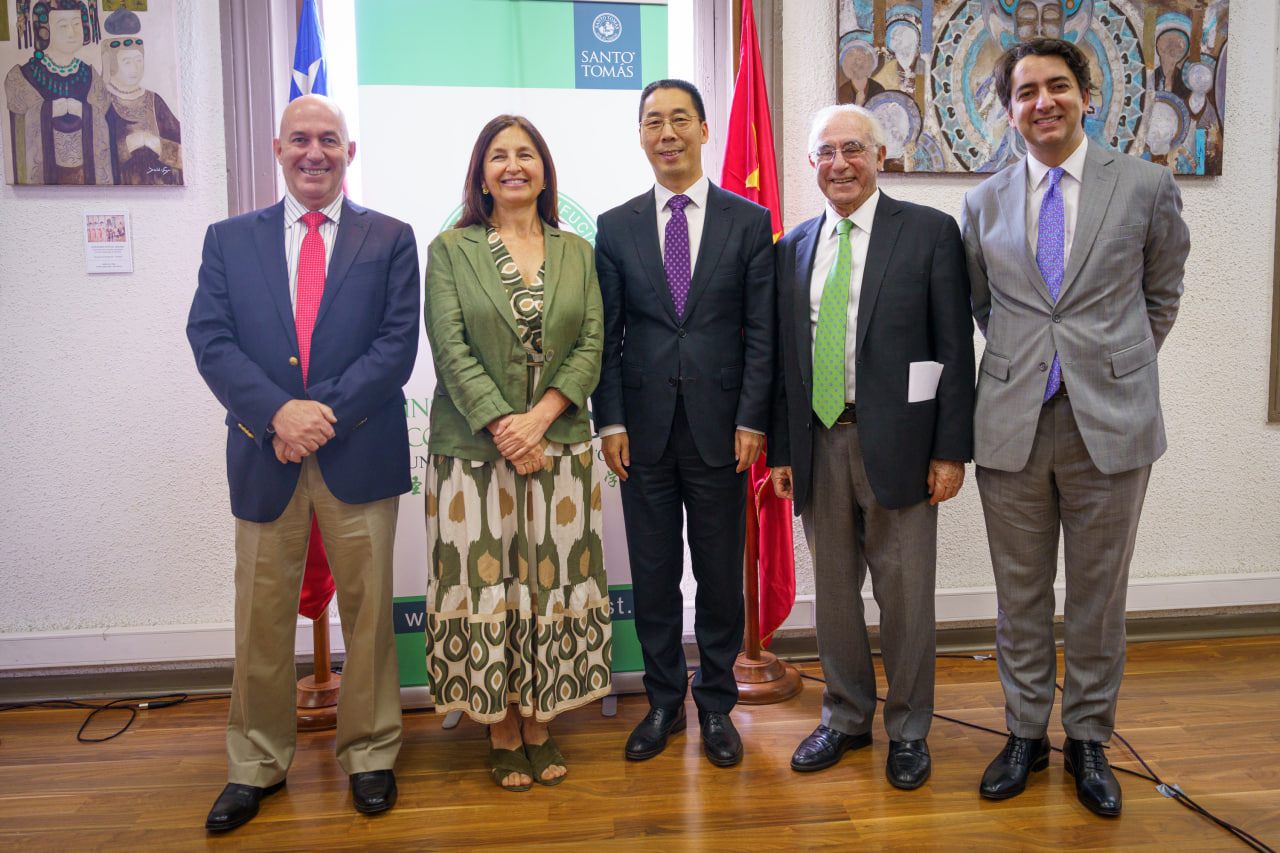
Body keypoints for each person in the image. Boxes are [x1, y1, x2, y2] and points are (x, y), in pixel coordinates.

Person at [961, 38, 1189, 817]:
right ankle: (1025, 732)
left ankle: (1089, 737)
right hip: (1012, 425)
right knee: (1019, 596)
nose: (1043, 102)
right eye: (1026, 92)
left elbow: (1162, 294)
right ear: (1009, 109)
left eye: (1057, 86)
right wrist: (1035, 363)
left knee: (1098, 596)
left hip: (1112, 424)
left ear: (1086, 95)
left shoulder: (1146, 186)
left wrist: (1108, 364)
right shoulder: (982, 202)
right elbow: (984, 306)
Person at [187, 94, 418, 831]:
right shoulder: (229, 239)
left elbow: (396, 346)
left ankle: (372, 754)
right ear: (277, 151)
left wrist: (318, 417)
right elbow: (211, 337)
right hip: (266, 454)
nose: (314, 152)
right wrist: (276, 413)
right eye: (300, 140)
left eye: (329, 139)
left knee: (369, 614)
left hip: (360, 453)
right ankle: (255, 762)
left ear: (350, 152)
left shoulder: (391, 238)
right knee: (259, 620)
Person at [770, 104, 974, 789]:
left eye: (853, 149)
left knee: (907, 596)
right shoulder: (792, 247)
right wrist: (781, 452)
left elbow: (954, 348)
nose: (839, 164)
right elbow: (782, 362)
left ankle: (910, 729)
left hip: (907, 448)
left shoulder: (929, 234)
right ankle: (847, 717)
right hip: (820, 443)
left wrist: (951, 450)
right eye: (825, 152)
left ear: (880, 156)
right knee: (833, 596)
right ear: (811, 166)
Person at [421, 115, 611, 792]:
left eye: (525, 154)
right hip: (472, 452)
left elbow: (592, 341)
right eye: (498, 156)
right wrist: (506, 425)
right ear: (481, 173)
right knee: (486, 587)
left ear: (543, 169)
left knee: (547, 585)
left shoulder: (577, 252)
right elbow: (449, 348)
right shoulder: (451, 249)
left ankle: (540, 716)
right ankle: (500, 724)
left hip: (557, 447)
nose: (512, 165)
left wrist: (540, 418)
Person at [591, 79, 775, 768]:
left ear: (703, 130)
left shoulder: (748, 222)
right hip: (640, 432)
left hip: (722, 429)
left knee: (722, 576)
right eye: (651, 122)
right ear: (641, 136)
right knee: (655, 571)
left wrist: (754, 416)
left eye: (678, 119)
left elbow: (761, 333)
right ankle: (665, 698)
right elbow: (607, 335)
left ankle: (717, 704)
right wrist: (608, 420)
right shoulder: (614, 226)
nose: (665, 133)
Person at [5, 0, 112, 185]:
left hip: (86, 175)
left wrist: (84, 111)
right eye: (62, 26)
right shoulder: (22, 77)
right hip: (44, 178)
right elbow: (18, 133)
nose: (72, 33)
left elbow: (105, 124)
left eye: (77, 24)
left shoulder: (91, 75)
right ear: (44, 30)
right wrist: (49, 109)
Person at [100, 8, 182, 185]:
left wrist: (157, 144)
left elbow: (187, 154)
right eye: (127, 62)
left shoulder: (155, 101)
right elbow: (92, 158)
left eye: (138, 61)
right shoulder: (101, 101)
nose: (135, 68)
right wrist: (126, 145)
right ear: (111, 63)